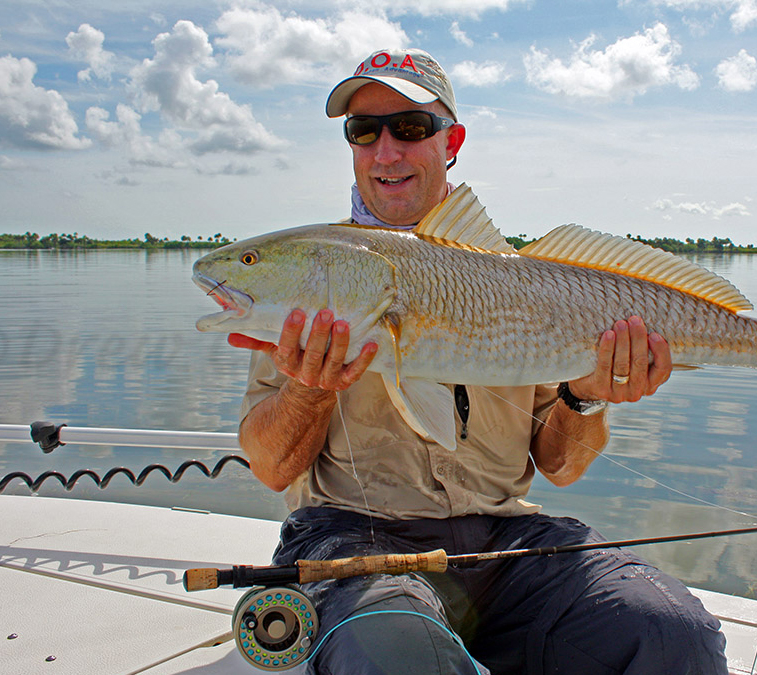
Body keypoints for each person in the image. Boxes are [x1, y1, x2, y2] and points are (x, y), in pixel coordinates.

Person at [231, 48, 727, 675]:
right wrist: (308, 389)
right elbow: (273, 468)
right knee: (403, 660)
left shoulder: (527, 282)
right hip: (353, 541)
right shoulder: (314, 277)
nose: (386, 150)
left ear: (452, 141)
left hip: (504, 542)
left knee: (673, 635)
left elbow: (563, 466)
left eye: (410, 127)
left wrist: (587, 395)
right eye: (364, 131)